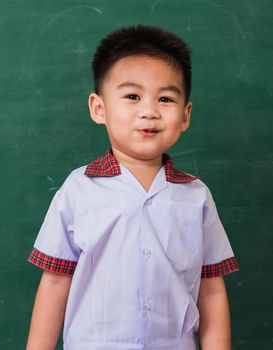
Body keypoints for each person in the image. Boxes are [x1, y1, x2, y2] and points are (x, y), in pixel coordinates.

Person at [26, 24, 240, 350]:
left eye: (165, 98)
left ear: (185, 115)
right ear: (99, 108)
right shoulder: (78, 189)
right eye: (132, 96)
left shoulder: (196, 196)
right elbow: (55, 282)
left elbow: (210, 290)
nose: (149, 111)